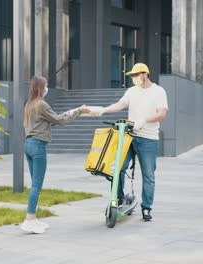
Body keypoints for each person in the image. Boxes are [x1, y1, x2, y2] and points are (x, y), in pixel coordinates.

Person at [21, 75, 92, 234]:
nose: (47, 88)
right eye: (46, 85)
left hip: (28, 144)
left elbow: (49, 120)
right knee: (36, 186)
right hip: (38, 145)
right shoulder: (42, 104)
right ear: (40, 87)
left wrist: (67, 113)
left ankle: (33, 219)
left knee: (35, 185)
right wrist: (79, 111)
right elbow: (60, 121)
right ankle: (29, 220)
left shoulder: (30, 104)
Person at [98, 63, 168, 221]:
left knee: (148, 175)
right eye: (132, 76)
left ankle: (146, 208)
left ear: (146, 74)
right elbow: (120, 105)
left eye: (137, 75)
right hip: (129, 135)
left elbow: (162, 114)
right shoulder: (132, 91)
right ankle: (118, 200)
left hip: (148, 139)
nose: (134, 78)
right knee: (118, 168)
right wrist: (104, 109)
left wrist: (145, 120)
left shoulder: (158, 91)